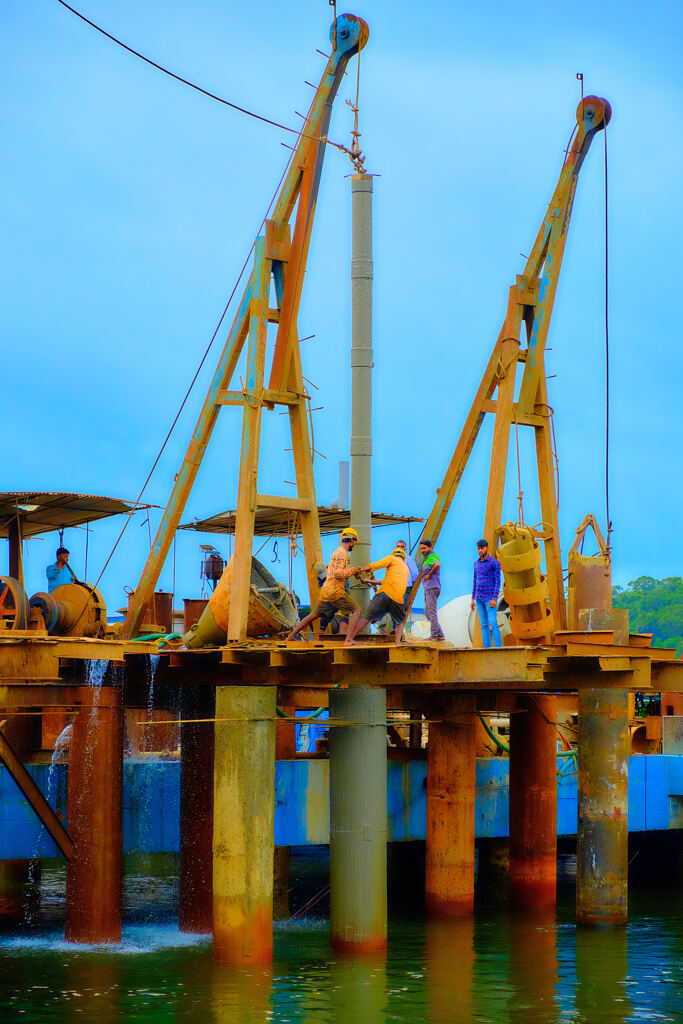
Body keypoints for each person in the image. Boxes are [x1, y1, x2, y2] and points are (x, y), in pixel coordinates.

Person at [286, 528, 361, 640]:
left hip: (326, 591)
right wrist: (353, 570)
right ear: (352, 541)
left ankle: (290, 637)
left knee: (313, 615)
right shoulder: (343, 554)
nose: (354, 545)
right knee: (356, 611)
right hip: (335, 591)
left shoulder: (336, 552)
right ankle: (348, 640)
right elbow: (338, 573)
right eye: (354, 542)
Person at [344, 547, 409, 646]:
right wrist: (368, 581)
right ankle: (397, 643)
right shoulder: (406, 568)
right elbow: (386, 581)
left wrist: (361, 569)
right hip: (398, 598)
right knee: (399, 621)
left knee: (367, 618)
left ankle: (349, 640)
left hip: (384, 593)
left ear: (394, 554)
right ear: (403, 558)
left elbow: (377, 565)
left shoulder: (392, 558)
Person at [471, 538, 502, 648]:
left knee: (493, 623)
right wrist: (472, 598)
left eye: (482, 548)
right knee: (483, 625)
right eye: (478, 548)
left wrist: (494, 598)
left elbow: (498, 581)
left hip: (489, 598)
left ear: (486, 548)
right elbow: (475, 580)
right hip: (478, 598)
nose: (480, 550)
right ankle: (486, 648)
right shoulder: (476, 563)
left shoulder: (494, 563)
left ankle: (499, 648)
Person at [419, 538, 445, 641]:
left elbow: (437, 565)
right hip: (428, 588)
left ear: (430, 547)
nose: (422, 550)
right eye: (421, 549)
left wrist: (429, 575)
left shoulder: (433, 556)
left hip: (431, 587)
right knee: (427, 613)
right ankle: (440, 634)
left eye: (424, 548)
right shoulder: (428, 558)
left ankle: (434, 635)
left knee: (432, 612)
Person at [395, 539, 419, 610]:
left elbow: (415, 573)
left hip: (405, 587)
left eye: (402, 547)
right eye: (398, 546)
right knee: (395, 607)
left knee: (402, 607)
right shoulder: (391, 558)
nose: (400, 548)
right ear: (395, 547)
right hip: (394, 587)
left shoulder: (408, 559)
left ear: (405, 549)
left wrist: (410, 582)